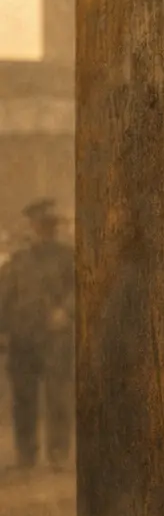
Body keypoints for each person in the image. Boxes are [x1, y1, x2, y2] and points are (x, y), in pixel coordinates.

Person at [0, 198, 74, 471]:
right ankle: (26, 454)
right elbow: (4, 297)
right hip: (22, 338)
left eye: (48, 225)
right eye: (39, 225)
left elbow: (81, 288)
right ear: (31, 226)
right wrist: (2, 331)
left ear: (54, 228)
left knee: (58, 396)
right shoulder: (17, 261)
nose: (43, 230)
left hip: (55, 338)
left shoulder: (68, 257)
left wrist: (66, 311)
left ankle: (58, 453)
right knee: (24, 398)